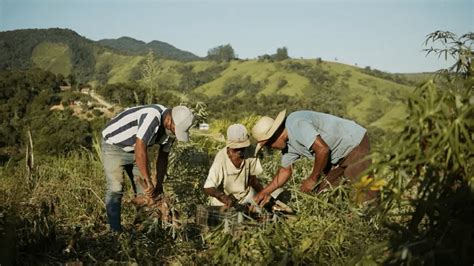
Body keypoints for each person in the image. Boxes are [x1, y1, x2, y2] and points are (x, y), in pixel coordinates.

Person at [251, 109, 376, 206]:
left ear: (274, 135)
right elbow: (285, 171)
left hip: (353, 143)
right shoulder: (287, 147)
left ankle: (379, 228)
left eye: (268, 144)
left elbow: (322, 149)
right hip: (336, 157)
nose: (270, 148)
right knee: (322, 194)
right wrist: (264, 192)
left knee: (365, 192)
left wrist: (312, 178)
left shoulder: (296, 123)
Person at [101, 104, 194, 231]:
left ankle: (141, 228)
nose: (175, 133)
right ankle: (114, 230)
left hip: (135, 150)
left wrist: (159, 185)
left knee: (145, 193)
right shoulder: (152, 116)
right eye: (175, 129)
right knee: (115, 188)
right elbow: (140, 148)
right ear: (168, 120)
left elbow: (163, 157)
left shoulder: (171, 131)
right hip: (114, 145)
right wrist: (148, 179)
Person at [203, 124, 270, 209]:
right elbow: (208, 187)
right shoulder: (221, 158)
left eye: (243, 147)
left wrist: (264, 194)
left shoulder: (251, 152)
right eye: (236, 148)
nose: (240, 151)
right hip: (223, 201)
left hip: (245, 197)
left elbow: (253, 180)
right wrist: (223, 197)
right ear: (230, 145)